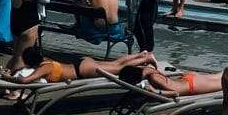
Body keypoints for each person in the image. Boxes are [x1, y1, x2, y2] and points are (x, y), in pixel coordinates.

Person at [10, 46, 158, 84]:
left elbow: (24, 80)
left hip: (83, 70)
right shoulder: (45, 61)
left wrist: (9, 78)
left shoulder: (44, 68)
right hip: (81, 63)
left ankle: (147, 58)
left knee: (119, 69)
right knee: (116, 63)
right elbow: (27, 71)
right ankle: (141, 55)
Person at [6, 0, 50, 73]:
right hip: (29, 21)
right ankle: (14, 90)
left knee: (16, 54)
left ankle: (6, 81)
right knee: (22, 57)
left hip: (15, 18)